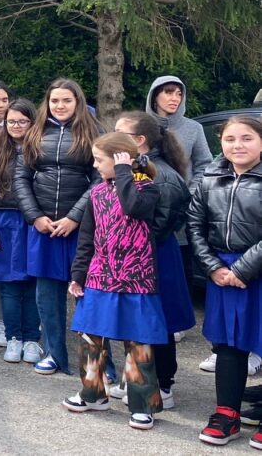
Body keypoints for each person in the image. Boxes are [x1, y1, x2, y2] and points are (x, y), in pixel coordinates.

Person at [63, 133, 165, 430]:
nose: (96, 166)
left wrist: (124, 171)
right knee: (90, 338)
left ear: (121, 160)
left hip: (137, 280)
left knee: (138, 342)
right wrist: (78, 274)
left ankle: (142, 405)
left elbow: (132, 206)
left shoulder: (148, 189)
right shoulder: (96, 194)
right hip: (99, 277)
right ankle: (92, 394)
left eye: (100, 160)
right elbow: (86, 239)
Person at [14, 78, 102, 376]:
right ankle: (54, 354)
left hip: (82, 228)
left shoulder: (94, 132)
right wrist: (35, 216)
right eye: (55, 101)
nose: (60, 106)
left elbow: (100, 180)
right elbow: (20, 179)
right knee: (47, 297)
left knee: (86, 295)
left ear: (77, 101)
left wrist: (75, 217)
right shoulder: (34, 133)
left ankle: (98, 363)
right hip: (43, 228)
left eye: (66, 100)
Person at [110, 110, 195, 408]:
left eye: (122, 134)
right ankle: (135, 373)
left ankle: (163, 384)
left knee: (161, 320)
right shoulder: (134, 167)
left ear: (140, 140)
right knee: (137, 319)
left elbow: (159, 226)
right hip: (135, 256)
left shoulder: (165, 176)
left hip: (156, 257)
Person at [188, 115, 262, 446]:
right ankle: (227, 414)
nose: (237, 145)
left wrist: (244, 269)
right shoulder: (209, 177)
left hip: (255, 271)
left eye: (246, 138)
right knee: (229, 345)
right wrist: (213, 267)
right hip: (221, 270)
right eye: (230, 139)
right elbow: (195, 225)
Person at [0, 99, 43, 364]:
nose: (16, 126)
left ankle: (32, 339)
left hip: (34, 223)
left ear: (32, 123)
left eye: (22, 121)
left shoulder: (42, 152)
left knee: (33, 282)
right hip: (3, 223)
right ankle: (13, 337)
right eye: (11, 121)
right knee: (10, 284)